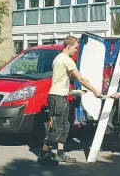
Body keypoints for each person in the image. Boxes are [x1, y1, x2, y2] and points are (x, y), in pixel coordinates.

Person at [37, 35, 102, 165]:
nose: (76, 50)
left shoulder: (59, 59)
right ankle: (43, 154)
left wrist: (72, 91)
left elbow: (61, 80)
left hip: (61, 96)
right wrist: (94, 90)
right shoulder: (66, 59)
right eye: (75, 48)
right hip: (57, 98)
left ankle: (60, 153)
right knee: (56, 128)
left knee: (64, 126)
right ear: (68, 46)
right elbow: (80, 79)